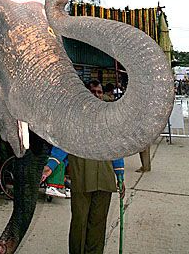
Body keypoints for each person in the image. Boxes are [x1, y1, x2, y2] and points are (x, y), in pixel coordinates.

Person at [67, 80, 125, 254]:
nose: (96, 95)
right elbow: (62, 143)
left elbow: (115, 149)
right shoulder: (74, 118)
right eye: (92, 92)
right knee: (79, 222)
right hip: (82, 177)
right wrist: (52, 164)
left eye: (99, 92)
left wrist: (120, 177)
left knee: (98, 223)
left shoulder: (109, 119)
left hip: (105, 179)